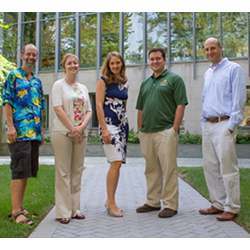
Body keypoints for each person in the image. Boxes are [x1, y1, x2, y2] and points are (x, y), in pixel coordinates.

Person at [136, 48, 188, 218]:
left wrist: (174, 128)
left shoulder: (174, 79)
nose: (155, 61)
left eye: (158, 58)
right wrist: (140, 130)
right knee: (151, 169)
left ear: (164, 60)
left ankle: (170, 205)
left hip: (166, 131)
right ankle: (152, 202)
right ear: (149, 61)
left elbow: (181, 104)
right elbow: (140, 108)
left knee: (168, 169)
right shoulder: (145, 83)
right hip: (147, 133)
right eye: (152, 59)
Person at [199, 37, 246, 221]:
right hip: (208, 125)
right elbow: (206, 99)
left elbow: (239, 99)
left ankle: (232, 207)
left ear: (221, 48)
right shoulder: (207, 73)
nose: (210, 52)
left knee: (228, 168)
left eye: (213, 48)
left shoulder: (233, 69)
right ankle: (217, 203)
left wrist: (232, 125)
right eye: (206, 49)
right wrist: (203, 122)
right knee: (210, 167)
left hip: (224, 124)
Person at [3, 44, 45, 225]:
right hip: (19, 133)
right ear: (22, 55)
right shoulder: (13, 76)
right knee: (19, 171)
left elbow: (40, 107)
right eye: (28, 54)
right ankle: (15, 212)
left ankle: (20, 207)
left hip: (33, 134)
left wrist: (41, 131)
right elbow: (7, 101)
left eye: (34, 55)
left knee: (26, 171)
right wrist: (10, 127)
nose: (31, 57)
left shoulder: (37, 81)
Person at [51, 53, 92, 224]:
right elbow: (58, 109)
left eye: (76, 62)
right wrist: (72, 128)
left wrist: (81, 128)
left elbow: (89, 110)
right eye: (70, 63)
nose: (73, 65)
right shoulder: (58, 85)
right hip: (62, 133)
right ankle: (63, 211)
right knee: (63, 172)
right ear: (64, 66)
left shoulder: (82, 87)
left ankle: (75, 209)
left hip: (80, 134)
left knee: (77, 171)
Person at [96, 51, 128, 217]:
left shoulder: (124, 82)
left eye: (118, 63)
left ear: (122, 64)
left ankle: (109, 200)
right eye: (112, 63)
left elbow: (123, 105)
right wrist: (104, 129)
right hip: (109, 126)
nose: (115, 66)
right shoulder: (103, 81)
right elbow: (99, 105)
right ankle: (111, 203)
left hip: (122, 127)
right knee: (115, 162)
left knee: (117, 164)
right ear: (108, 66)